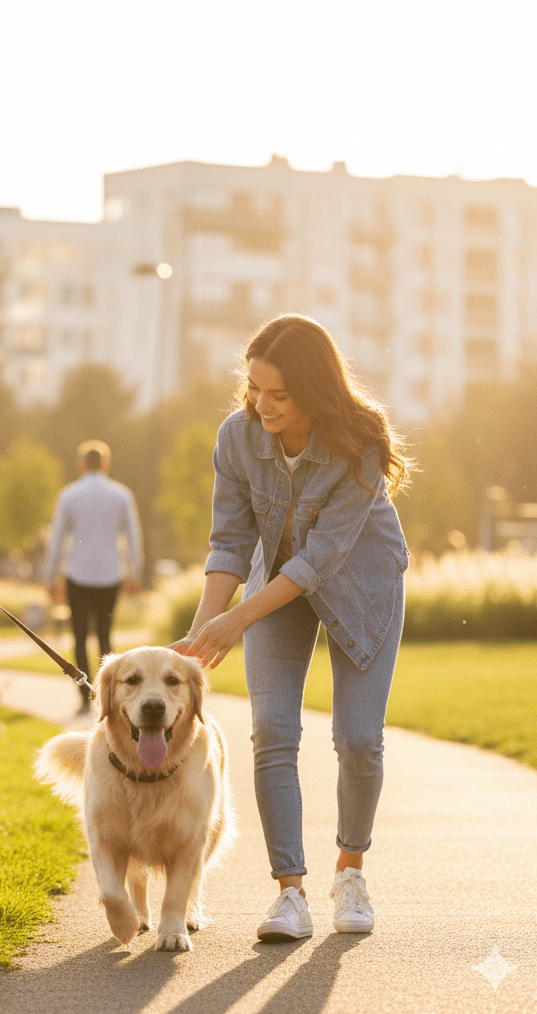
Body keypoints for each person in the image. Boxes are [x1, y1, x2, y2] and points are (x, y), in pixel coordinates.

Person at [171, 314, 411, 942]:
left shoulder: (359, 440)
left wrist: (237, 620)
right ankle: (290, 894)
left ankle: (350, 872)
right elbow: (230, 542)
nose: (262, 405)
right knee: (273, 731)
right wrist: (199, 639)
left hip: (361, 583)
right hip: (277, 584)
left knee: (359, 738)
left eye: (279, 394)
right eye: (254, 388)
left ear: (315, 390)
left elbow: (320, 559)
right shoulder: (237, 437)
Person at [44, 440, 143, 711]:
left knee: (79, 637)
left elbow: (56, 538)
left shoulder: (68, 495)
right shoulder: (122, 495)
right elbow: (133, 536)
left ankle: (85, 696)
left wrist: (50, 576)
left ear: (80, 465)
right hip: (111, 575)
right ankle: (108, 697)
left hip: (77, 575)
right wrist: (135, 571)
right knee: (105, 637)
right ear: (106, 464)